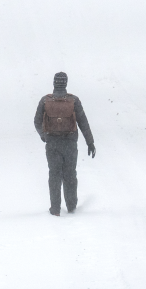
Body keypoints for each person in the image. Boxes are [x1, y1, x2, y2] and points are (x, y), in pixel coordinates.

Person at [33, 72, 96, 216]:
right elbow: (83, 122)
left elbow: (37, 122)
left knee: (54, 174)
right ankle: (71, 206)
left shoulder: (45, 100)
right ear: (66, 83)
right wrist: (90, 142)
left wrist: (44, 136)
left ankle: (55, 208)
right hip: (70, 143)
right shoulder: (74, 100)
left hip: (52, 143)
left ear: (54, 83)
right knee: (70, 174)